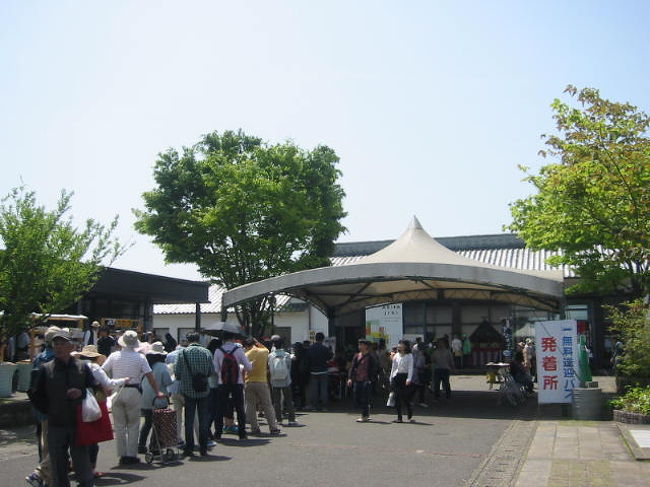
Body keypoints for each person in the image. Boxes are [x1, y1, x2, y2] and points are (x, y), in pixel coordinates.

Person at [28, 330, 96, 487]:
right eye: (56, 344)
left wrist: (82, 392)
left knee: (83, 466)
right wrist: (49, 410)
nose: (58, 347)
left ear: (71, 346)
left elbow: (96, 390)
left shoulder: (81, 367)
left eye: (63, 343)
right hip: (56, 423)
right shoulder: (47, 369)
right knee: (59, 468)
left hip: (78, 423)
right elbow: (35, 394)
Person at [102, 330, 164, 465]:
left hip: (116, 390)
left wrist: (106, 386)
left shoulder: (114, 356)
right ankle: (131, 455)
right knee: (133, 424)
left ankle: (122, 455)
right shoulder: (140, 358)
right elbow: (150, 376)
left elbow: (102, 371)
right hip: (134, 391)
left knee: (119, 426)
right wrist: (157, 391)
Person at [73, 345, 129, 478]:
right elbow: (108, 383)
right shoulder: (94, 367)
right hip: (93, 403)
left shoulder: (75, 366)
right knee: (93, 438)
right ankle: (90, 469)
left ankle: (77, 466)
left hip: (76, 403)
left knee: (78, 437)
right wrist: (124, 380)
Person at [25, 326, 60, 487]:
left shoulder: (39, 358)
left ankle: (49, 480)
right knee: (57, 444)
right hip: (57, 408)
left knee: (45, 444)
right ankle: (40, 474)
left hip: (40, 408)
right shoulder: (58, 358)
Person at [174, 332, 214, 457]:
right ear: (199, 339)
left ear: (187, 340)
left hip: (187, 390)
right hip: (203, 389)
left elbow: (177, 373)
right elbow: (211, 371)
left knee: (189, 420)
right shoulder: (206, 352)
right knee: (203, 419)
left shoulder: (182, 353)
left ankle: (189, 447)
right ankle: (203, 447)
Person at [213, 330, 252, 440]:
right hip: (237, 382)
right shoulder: (239, 350)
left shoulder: (218, 351)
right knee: (239, 408)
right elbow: (248, 367)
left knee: (220, 408)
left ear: (223, 339)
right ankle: (242, 433)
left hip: (222, 383)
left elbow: (215, 370)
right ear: (233, 339)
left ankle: (218, 433)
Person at [138, 342, 172, 455]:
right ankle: (155, 446)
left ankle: (141, 445)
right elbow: (167, 382)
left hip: (144, 398)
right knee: (159, 423)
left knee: (147, 422)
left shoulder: (146, 364)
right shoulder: (163, 367)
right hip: (159, 398)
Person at [243, 337, 280, 436]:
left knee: (250, 405)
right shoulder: (264, 352)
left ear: (246, 346)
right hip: (262, 381)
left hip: (249, 381)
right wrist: (257, 342)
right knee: (267, 405)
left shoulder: (246, 354)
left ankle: (254, 428)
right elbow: (266, 349)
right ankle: (273, 428)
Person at [268, 336, 298, 426]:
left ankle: (279, 419)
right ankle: (291, 419)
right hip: (286, 380)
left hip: (274, 380)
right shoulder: (287, 355)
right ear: (282, 344)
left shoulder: (271, 355)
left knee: (276, 401)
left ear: (273, 345)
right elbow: (289, 367)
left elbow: (270, 367)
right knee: (289, 400)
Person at [347, 339, 378, 422]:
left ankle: (364, 416)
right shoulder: (357, 356)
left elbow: (374, 368)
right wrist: (350, 378)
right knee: (357, 396)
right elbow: (352, 367)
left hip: (366, 380)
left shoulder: (370, 357)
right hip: (357, 379)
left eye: (361, 345)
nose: (359, 346)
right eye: (359, 345)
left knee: (365, 398)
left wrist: (371, 379)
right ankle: (366, 412)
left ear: (366, 346)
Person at [306, 332, 333, 411]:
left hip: (313, 371)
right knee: (323, 389)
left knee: (314, 390)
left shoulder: (310, 348)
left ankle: (314, 406)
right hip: (323, 370)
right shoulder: (325, 348)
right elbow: (330, 357)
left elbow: (308, 359)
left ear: (315, 338)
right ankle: (324, 406)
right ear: (323, 339)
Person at [390, 340, 415, 423]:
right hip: (396, 376)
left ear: (405, 346)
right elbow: (393, 367)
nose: (399, 345)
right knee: (397, 396)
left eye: (401, 344)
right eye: (399, 344)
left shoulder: (409, 356)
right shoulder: (396, 355)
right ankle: (399, 417)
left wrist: (409, 379)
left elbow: (411, 368)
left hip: (405, 377)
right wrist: (391, 377)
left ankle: (409, 408)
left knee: (405, 396)